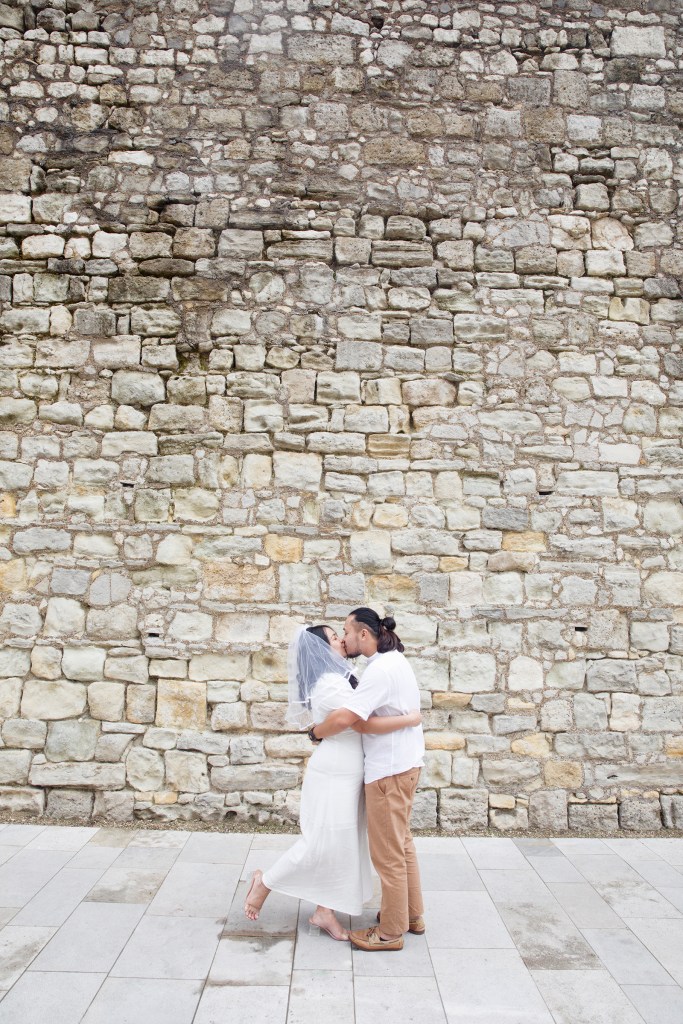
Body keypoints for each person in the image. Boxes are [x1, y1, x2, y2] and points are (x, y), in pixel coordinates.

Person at [244, 624, 421, 941]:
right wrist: (409, 719)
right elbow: (357, 721)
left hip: (351, 770)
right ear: (322, 649)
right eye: (334, 637)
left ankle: (324, 910)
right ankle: (265, 882)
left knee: (341, 843)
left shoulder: (340, 677)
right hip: (336, 772)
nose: (342, 639)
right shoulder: (328, 683)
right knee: (320, 842)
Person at [309, 608, 425, 952]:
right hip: (405, 764)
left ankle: (390, 932)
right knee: (402, 845)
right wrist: (409, 719)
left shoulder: (378, 671)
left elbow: (349, 719)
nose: (342, 637)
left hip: (388, 771)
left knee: (387, 854)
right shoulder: (393, 662)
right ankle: (411, 915)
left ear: (363, 634)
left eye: (345, 630)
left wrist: (316, 732)